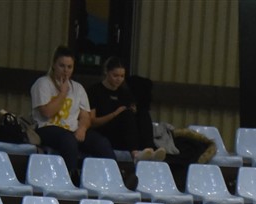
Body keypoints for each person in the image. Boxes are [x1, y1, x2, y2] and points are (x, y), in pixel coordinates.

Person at [30, 45, 114, 179]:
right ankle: (71, 177)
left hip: (72, 129)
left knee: (101, 142)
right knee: (68, 140)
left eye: (69, 67)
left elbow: (85, 116)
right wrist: (63, 93)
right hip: (47, 127)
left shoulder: (78, 88)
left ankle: (114, 176)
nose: (65, 71)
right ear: (54, 65)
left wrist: (82, 128)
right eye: (62, 66)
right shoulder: (42, 83)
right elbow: (47, 112)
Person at [86, 57, 164, 162]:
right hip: (104, 130)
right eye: (115, 76)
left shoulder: (125, 93)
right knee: (126, 114)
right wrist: (115, 113)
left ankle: (149, 149)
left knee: (143, 113)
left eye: (122, 76)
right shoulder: (94, 91)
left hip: (124, 132)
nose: (119, 79)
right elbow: (92, 122)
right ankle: (134, 153)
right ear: (106, 72)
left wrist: (134, 111)